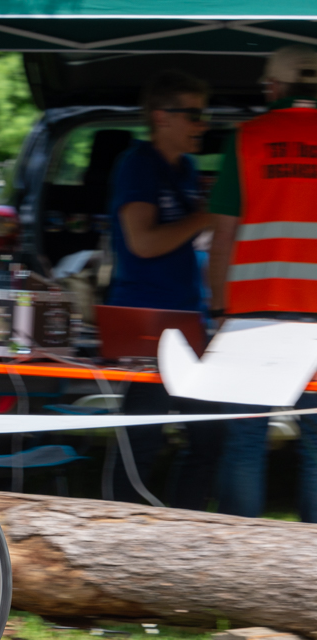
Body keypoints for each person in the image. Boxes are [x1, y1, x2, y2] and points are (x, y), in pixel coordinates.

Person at [208, 45, 317, 522]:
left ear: (275, 87)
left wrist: (217, 309)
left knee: (246, 440)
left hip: (253, 316)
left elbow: (223, 238)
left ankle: (237, 555)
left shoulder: (247, 139)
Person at [107, 69, 224, 509]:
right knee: (143, 438)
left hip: (186, 315)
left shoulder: (186, 167)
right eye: (193, 115)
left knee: (209, 435)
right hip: (145, 319)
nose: (202, 125)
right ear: (161, 116)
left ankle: (184, 527)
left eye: (203, 115)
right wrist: (206, 216)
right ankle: (117, 525)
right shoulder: (138, 164)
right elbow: (143, 242)